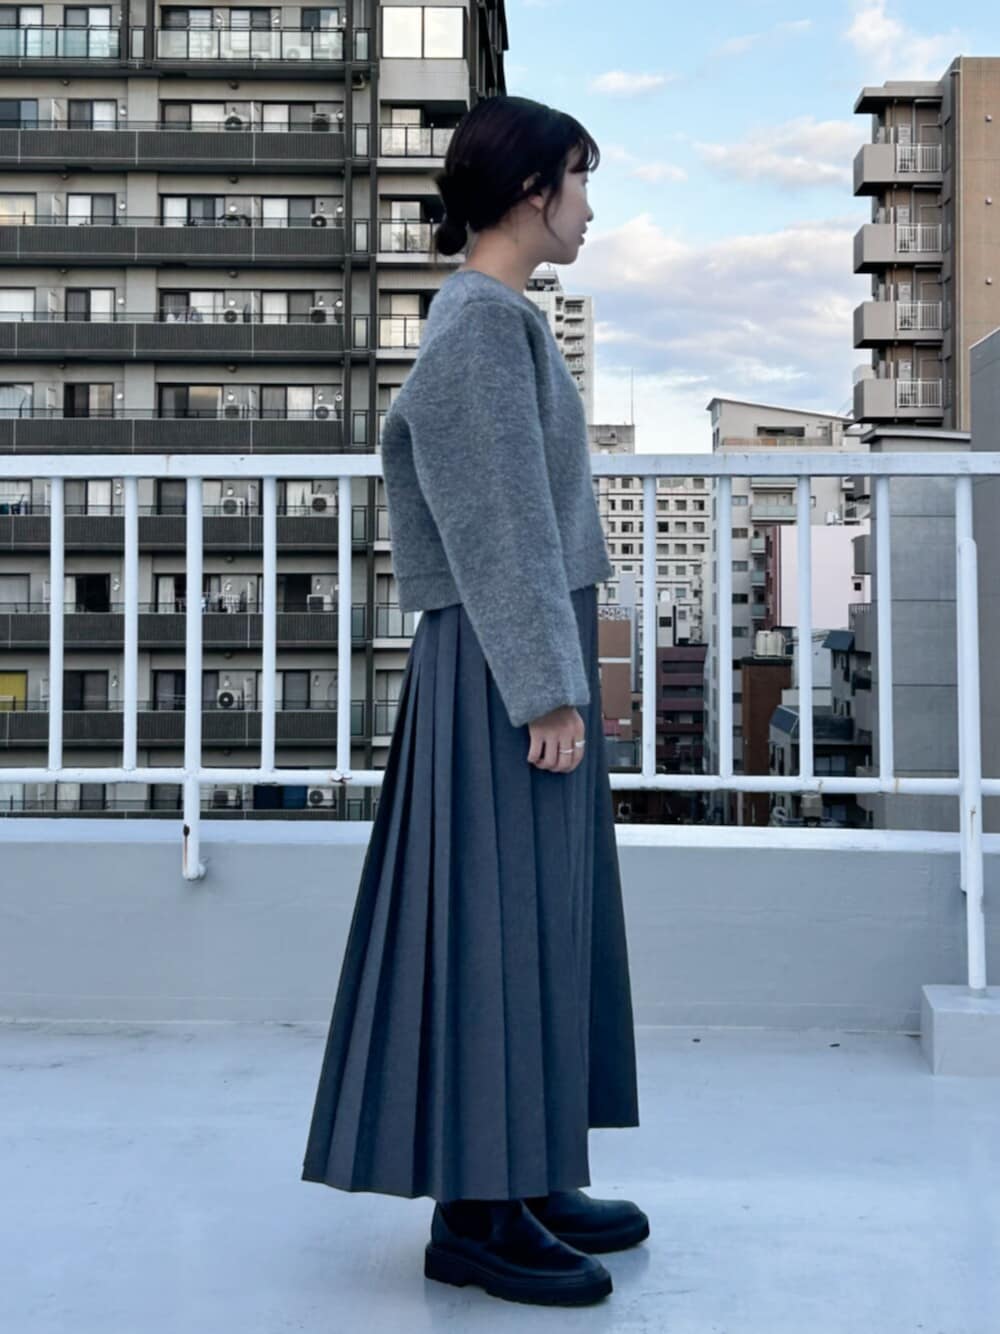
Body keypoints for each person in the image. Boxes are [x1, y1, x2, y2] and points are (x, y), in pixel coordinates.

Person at [300, 94, 645, 1309]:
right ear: (529, 191)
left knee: (533, 922)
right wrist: (548, 688)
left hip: (511, 658)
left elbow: (519, 520)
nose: (588, 207)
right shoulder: (483, 328)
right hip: (504, 671)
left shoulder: (498, 320)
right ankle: (476, 1211)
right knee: (495, 925)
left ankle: (528, 1172)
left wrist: (552, 673)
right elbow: (498, 526)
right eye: (578, 181)